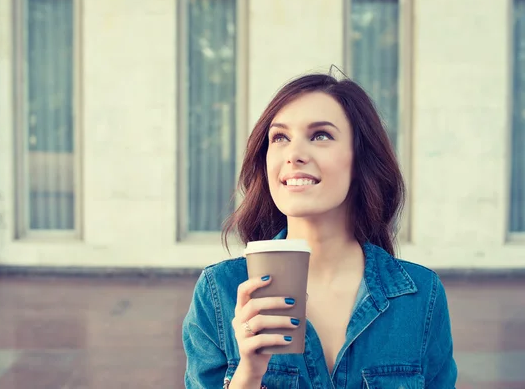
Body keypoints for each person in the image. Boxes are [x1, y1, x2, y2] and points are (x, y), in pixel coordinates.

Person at [182, 73, 457, 388]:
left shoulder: (421, 295)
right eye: (280, 137)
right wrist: (249, 373)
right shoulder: (219, 292)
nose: (294, 154)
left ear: (360, 159)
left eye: (320, 135)